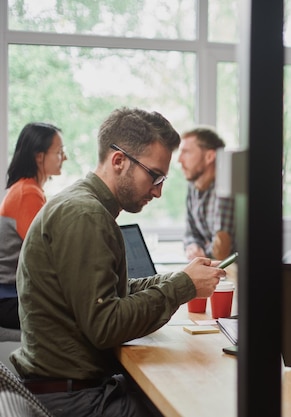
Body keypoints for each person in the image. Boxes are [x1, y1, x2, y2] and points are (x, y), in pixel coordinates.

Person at [10, 107, 227, 417]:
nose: (158, 190)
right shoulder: (87, 215)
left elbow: (114, 292)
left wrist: (180, 279)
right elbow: (106, 325)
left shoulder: (83, 204)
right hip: (73, 399)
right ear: (118, 161)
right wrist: (182, 287)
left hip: (65, 386)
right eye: (154, 175)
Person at [0, 122, 66, 330]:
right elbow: (48, 254)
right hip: (9, 300)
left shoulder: (26, 189)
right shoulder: (27, 194)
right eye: (59, 152)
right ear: (39, 156)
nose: (64, 157)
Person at [178, 126, 236, 261]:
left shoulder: (226, 187)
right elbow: (190, 233)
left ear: (210, 156)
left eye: (186, 152)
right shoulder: (193, 185)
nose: (179, 160)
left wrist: (202, 252)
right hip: (214, 268)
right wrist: (193, 246)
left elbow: (222, 252)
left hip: (237, 273)